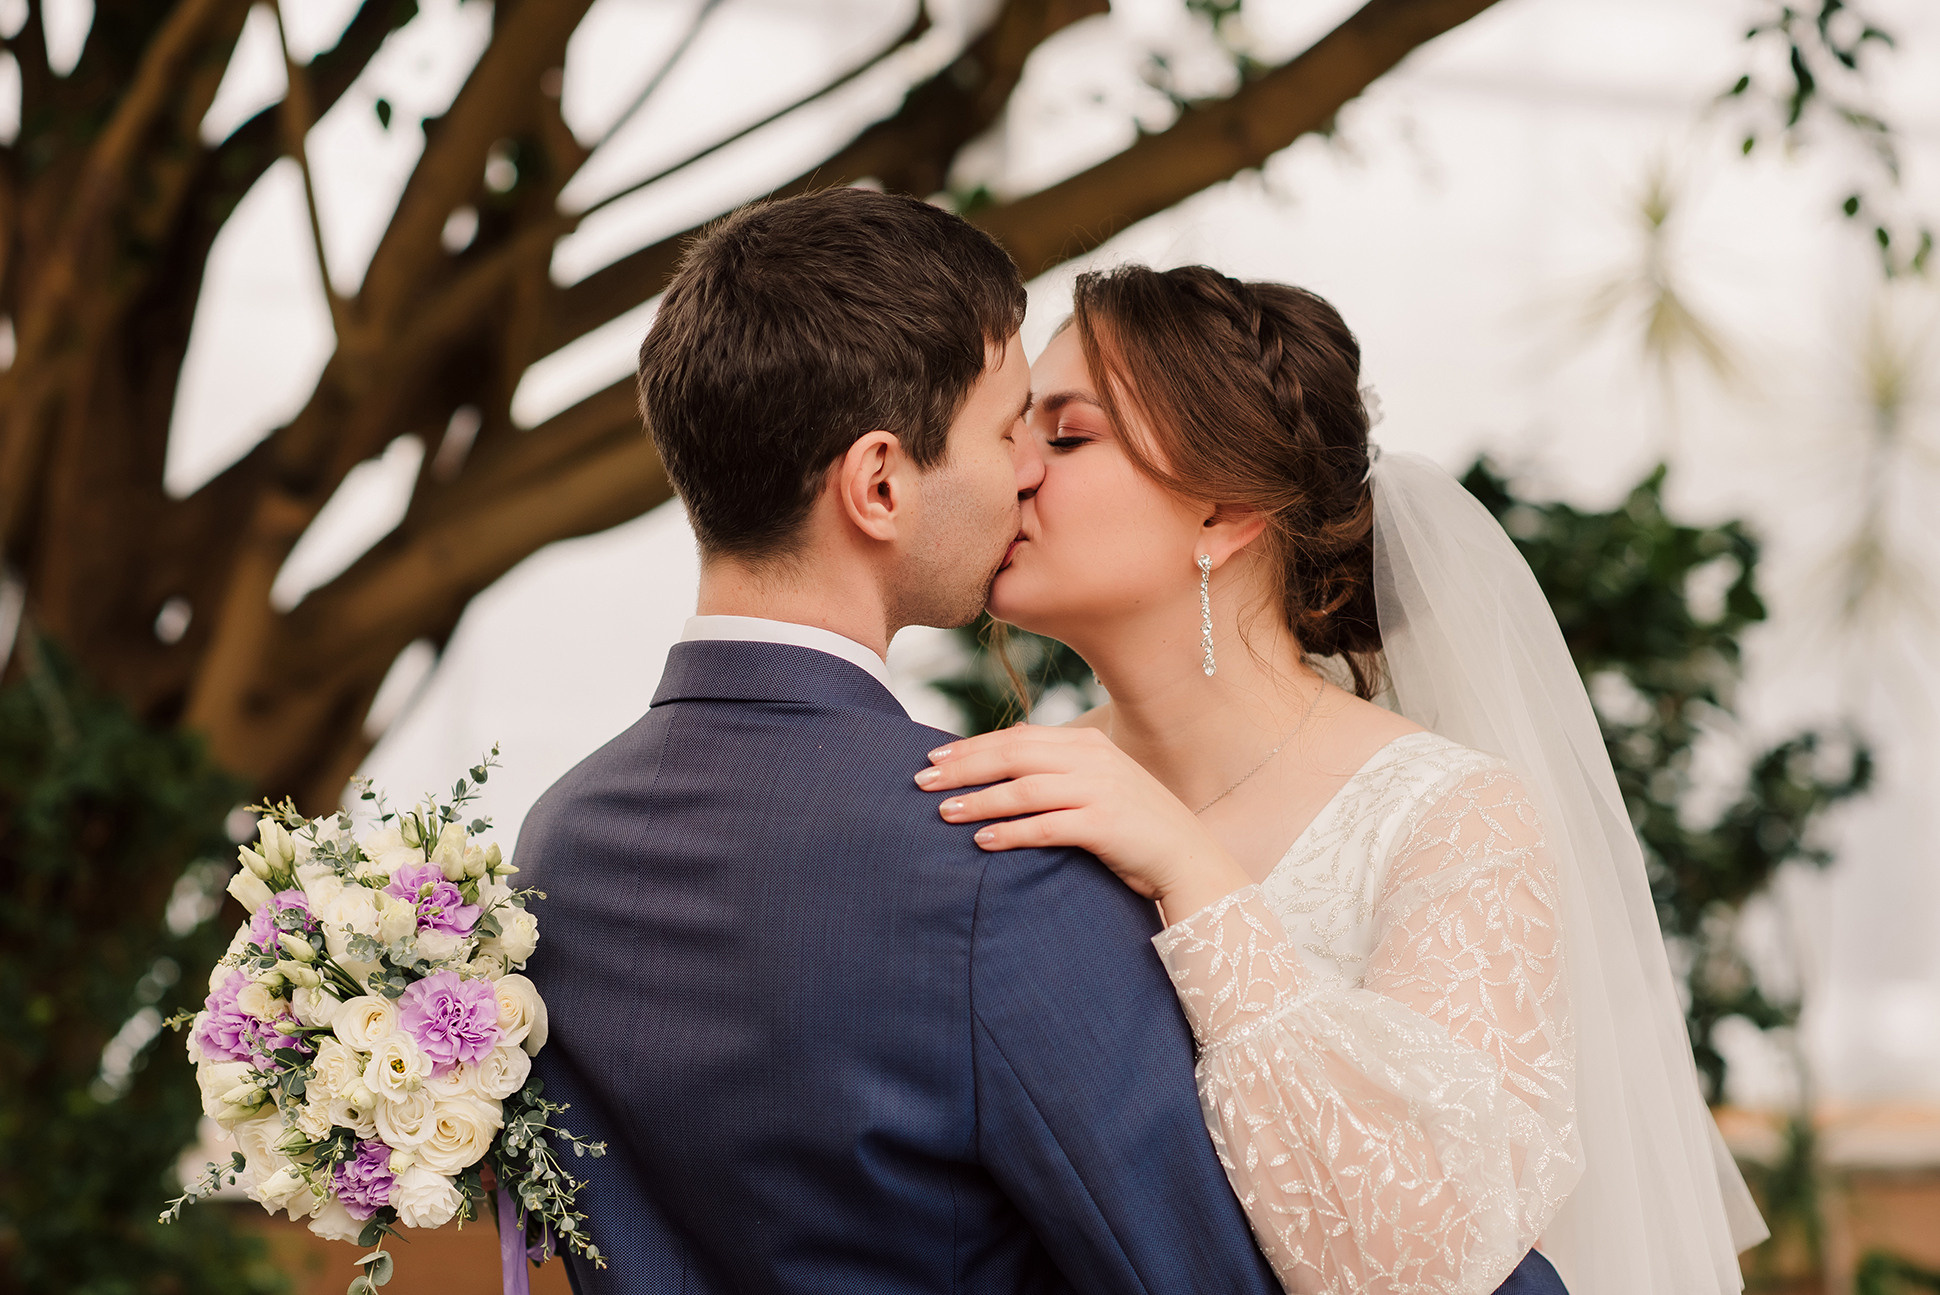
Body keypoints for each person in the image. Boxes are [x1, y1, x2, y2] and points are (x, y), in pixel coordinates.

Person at [917, 265, 1770, 1295]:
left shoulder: (1449, 820)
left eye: (1066, 434)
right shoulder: (1024, 785)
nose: (1013, 470)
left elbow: (1429, 1251)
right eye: (1013, 431)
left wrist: (1193, 873)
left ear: (1222, 512)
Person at [512, 189, 1290, 1293]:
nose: (1031, 467)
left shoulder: (556, 840)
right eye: (1009, 424)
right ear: (878, 484)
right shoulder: (993, 859)